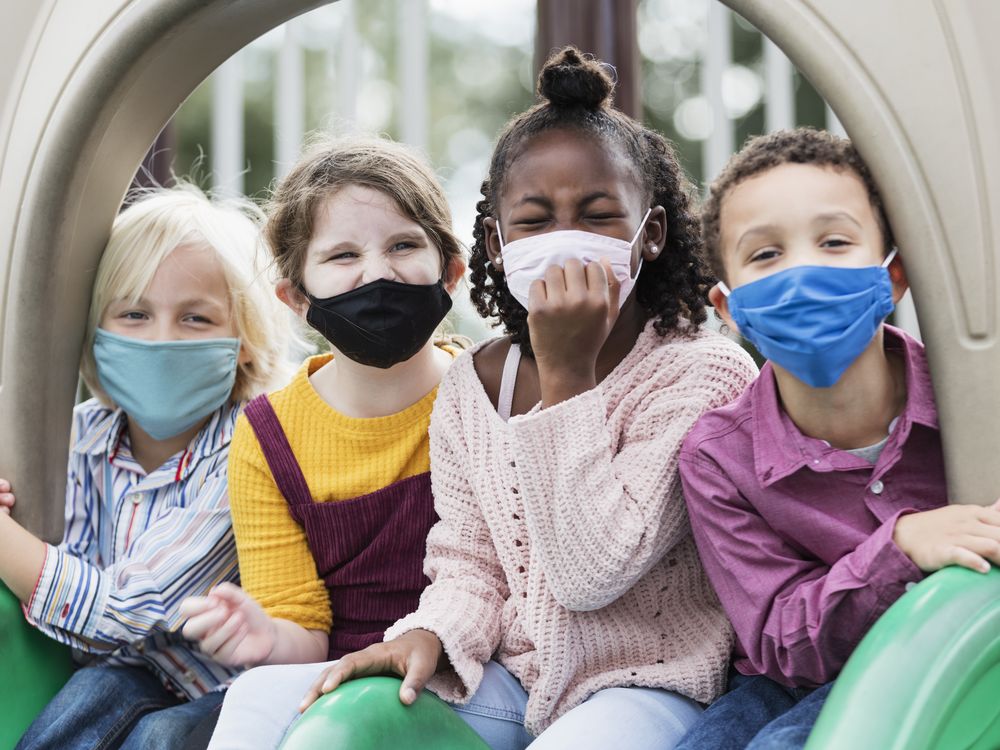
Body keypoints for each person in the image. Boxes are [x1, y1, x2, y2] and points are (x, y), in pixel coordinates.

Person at [239, 47, 757, 750]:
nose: (566, 240)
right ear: (496, 240)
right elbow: (468, 565)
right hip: (511, 681)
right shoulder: (475, 385)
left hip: (646, 686)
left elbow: (591, 573)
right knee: (278, 703)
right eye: (536, 220)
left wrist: (567, 375)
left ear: (652, 233)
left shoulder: (704, 375)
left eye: (598, 215)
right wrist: (430, 633)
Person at [674, 127, 1000, 750]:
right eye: (765, 255)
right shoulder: (718, 456)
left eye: (834, 242)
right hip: (791, 681)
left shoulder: (976, 402)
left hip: (952, 651)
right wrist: (900, 546)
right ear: (728, 306)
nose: (802, 271)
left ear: (894, 275)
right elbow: (777, 642)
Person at [178, 136, 468, 747]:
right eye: (342, 255)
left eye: (404, 245)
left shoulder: (491, 392)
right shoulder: (267, 437)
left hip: (469, 673)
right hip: (332, 683)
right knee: (254, 696)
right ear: (296, 298)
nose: (379, 273)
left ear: (452, 269)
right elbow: (303, 630)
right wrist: (265, 634)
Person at [0, 184, 292, 750]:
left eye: (196, 319)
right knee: (88, 695)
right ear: (98, 335)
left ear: (246, 342)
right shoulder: (83, 436)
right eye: (134, 314)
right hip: (122, 673)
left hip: (224, 687)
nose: (161, 340)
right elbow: (78, 617)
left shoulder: (248, 448)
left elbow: (129, 608)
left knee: (158, 735)